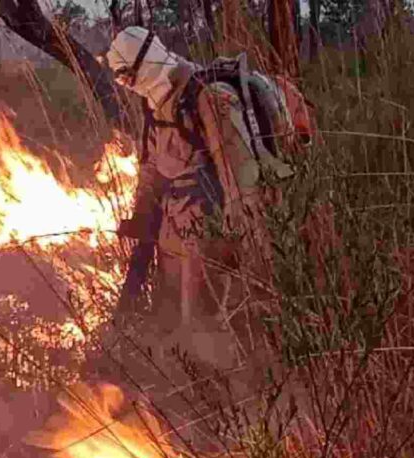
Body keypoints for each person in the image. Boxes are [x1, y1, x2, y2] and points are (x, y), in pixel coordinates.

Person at [105, 26, 314, 339]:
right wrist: (142, 217)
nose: (127, 85)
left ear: (143, 64)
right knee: (169, 318)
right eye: (121, 79)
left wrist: (248, 245)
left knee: (202, 327)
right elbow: (152, 167)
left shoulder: (210, 98)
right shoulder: (156, 106)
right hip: (175, 230)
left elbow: (241, 179)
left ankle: (222, 366)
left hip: (210, 232)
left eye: (126, 76)